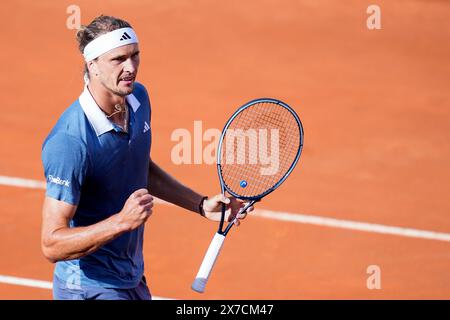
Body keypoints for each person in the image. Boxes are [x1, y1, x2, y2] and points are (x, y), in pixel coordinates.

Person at [41, 15, 251, 300]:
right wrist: (121, 222)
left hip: (131, 276)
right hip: (88, 287)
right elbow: (51, 244)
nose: (131, 68)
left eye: (135, 56)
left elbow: (140, 167)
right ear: (93, 66)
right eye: (118, 60)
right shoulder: (71, 141)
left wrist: (200, 205)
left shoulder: (138, 100)